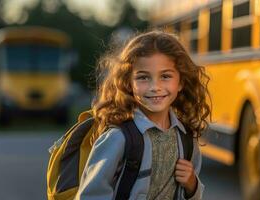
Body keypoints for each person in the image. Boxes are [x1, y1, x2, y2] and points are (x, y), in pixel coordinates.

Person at [75, 30, 211, 200]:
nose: (155, 86)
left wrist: (192, 185)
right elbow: (91, 195)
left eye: (165, 76)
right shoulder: (119, 138)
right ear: (128, 83)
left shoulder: (186, 139)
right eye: (143, 78)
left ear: (181, 82)